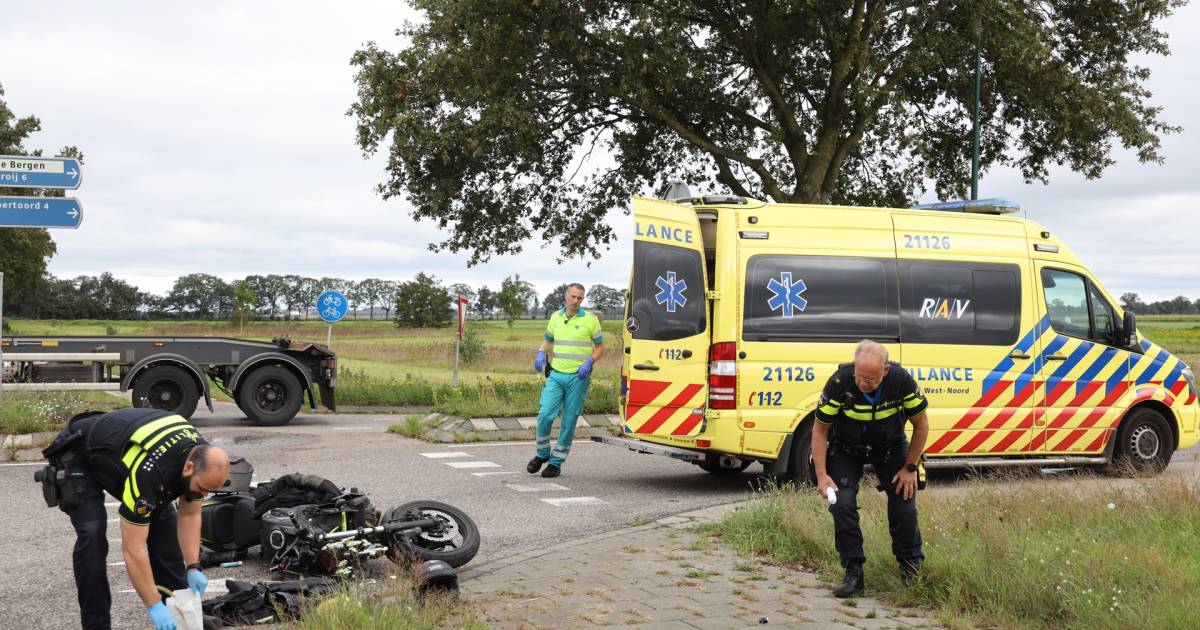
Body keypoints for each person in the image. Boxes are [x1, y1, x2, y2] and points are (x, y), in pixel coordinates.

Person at [39, 408, 230, 630]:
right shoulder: (151, 472)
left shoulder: (200, 456)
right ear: (188, 468)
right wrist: (153, 605)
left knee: (165, 527)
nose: (202, 495)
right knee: (93, 535)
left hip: (119, 452)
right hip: (79, 453)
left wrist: (193, 566)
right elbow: (133, 549)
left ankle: (181, 616)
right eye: (201, 488)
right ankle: (96, 625)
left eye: (208, 491)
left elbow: (190, 513)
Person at [811, 340, 929, 597]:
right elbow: (820, 430)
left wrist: (911, 466)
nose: (863, 383)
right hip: (846, 449)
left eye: (871, 379)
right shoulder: (840, 383)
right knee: (841, 504)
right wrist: (822, 475)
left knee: (904, 503)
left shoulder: (900, 381)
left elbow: (921, 425)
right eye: (859, 376)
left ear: (885, 371)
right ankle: (854, 572)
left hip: (891, 448)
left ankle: (910, 568)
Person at [527, 282, 604, 478]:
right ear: (566, 296)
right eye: (573, 297)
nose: (576, 301)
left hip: (578, 377)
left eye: (580, 298)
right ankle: (542, 453)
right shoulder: (556, 317)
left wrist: (589, 362)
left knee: (569, 421)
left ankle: (555, 462)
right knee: (545, 415)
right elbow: (548, 340)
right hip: (556, 375)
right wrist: (540, 352)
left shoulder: (590, 319)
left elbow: (600, 348)